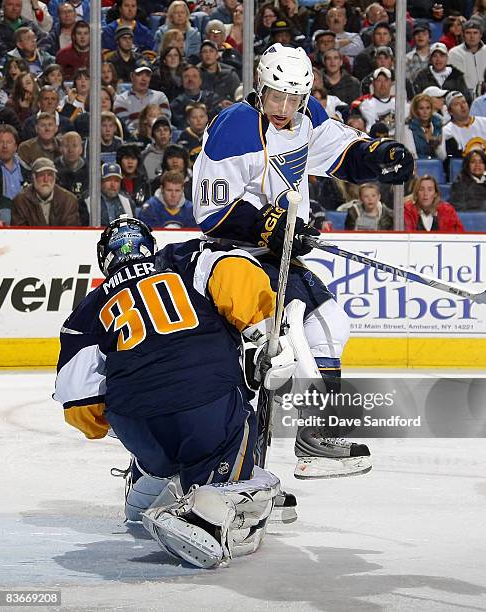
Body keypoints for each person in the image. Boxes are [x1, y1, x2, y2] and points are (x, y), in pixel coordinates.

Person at [192, 43, 414, 479]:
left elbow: (342, 153)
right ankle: (237, 474)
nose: (285, 107)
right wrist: (266, 224)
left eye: (294, 99)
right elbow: (212, 213)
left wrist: (378, 157)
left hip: (278, 258)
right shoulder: (231, 129)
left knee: (330, 325)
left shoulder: (306, 117)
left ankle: (315, 439)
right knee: (263, 366)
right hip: (231, 260)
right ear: (261, 87)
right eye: (277, 96)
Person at [53, 215, 295, 567]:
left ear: (105, 259)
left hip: (136, 423)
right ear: (148, 245)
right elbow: (234, 270)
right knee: (237, 430)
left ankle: (144, 491)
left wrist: (121, 415)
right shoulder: (185, 260)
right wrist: (265, 330)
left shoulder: (85, 310)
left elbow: (81, 406)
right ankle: (211, 509)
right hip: (206, 402)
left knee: (157, 446)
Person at [11, 156, 79, 226]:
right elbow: (20, 233)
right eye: (41, 175)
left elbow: (71, 233)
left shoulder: (69, 201)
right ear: (33, 178)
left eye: (50, 175)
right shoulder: (20, 201)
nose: (46, 180)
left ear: (55, 178)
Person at [113, 59, 171, 134]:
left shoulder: (160, 97)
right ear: (132, 76)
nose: (144, 79)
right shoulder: (121, 99)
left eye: (147, 75)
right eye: (139, 74)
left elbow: (165, 122)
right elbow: (125, 127)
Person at [442, 90, 486, 159]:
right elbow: (453, 158)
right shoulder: (447, 131)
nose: (462, 106)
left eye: (464, 102)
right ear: (450, 111)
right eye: (457, 104)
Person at [447, 19, 486, 98]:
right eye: (468, 33)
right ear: (463, 35)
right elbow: (455, 81)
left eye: (475, 33)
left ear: (481, 35)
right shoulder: (454, 53)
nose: (472, 36)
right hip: (464, 96)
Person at [0, 124, 30, 225]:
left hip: (25, 211)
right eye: (0, 142)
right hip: (2, 214)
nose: (4, 146)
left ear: (16, 146)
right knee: (6, 214)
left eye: (9, 142)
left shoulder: (27, 170)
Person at [405, 93, 444, 159]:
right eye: (421, 108)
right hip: (418, 164)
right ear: (415, 110)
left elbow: (443, 157)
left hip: (436, 165)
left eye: (428, 108)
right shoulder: (408, 128)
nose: (425, 112)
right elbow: (412, 155)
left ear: (431, 109)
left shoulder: (438, 125)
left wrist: (436, 147)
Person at [141, 116, 173, 181]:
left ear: (170, 134)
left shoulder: (179, 154)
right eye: (158, 130)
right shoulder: (143, 156)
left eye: (165, 130)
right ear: (153, 136)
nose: (162, 133)